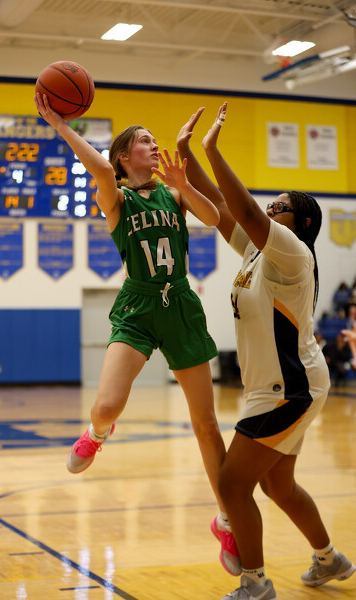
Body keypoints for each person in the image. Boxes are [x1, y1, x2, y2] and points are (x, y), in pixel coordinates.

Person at [34, 92, 241, 576]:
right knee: (107, 406)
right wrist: (60, 125)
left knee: (207, 424)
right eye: (144, 140)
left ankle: (227, 520)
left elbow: (214, 218)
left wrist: (183, 184)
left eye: (153, 138)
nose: (153, 144)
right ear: (125, 156)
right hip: (138, 305)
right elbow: (100, 170)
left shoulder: (174, 193)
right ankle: (96, 434)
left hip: (180, 304)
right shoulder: (117, 198)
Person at [177, 103, 356, 600]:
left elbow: (248, 212)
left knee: (233, 486)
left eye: (280, 207)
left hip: (288, 388)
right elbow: (221, 207)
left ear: (301, 222)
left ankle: (255, 584)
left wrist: (214, 150)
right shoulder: (259, 252)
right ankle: (329, 559)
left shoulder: (294, 253)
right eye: (271, 206)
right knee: (278, 486)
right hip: (281, 385)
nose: (270, 210)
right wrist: (185, 154)